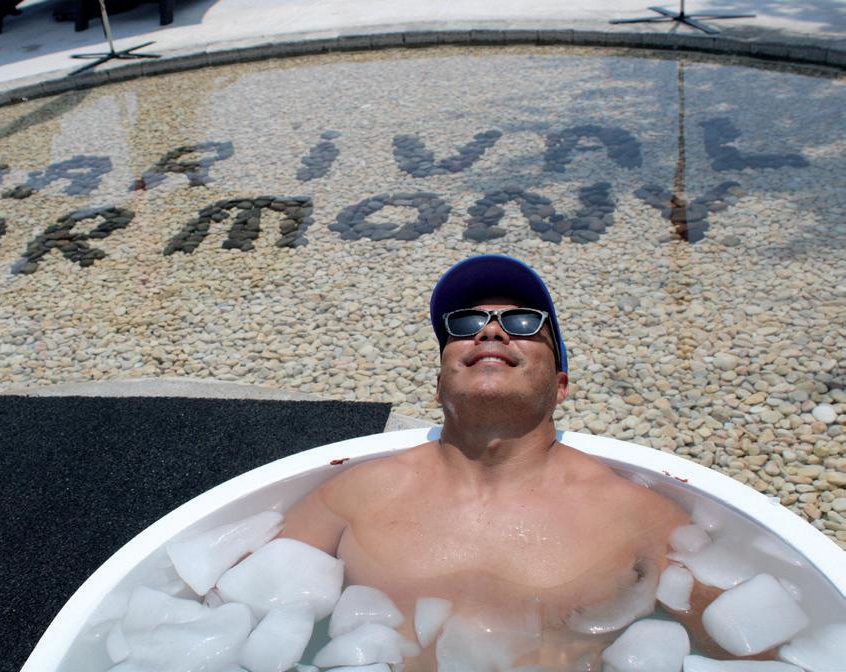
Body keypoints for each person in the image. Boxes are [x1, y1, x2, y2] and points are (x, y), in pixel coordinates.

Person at [280, 254, 724, 671]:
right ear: (438, 385)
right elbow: (252, 610)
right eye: (466, 323)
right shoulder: (354, 494)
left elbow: (745, 645)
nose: (491, 332)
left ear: (560, 386)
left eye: (523, 322)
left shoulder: (639, 515)